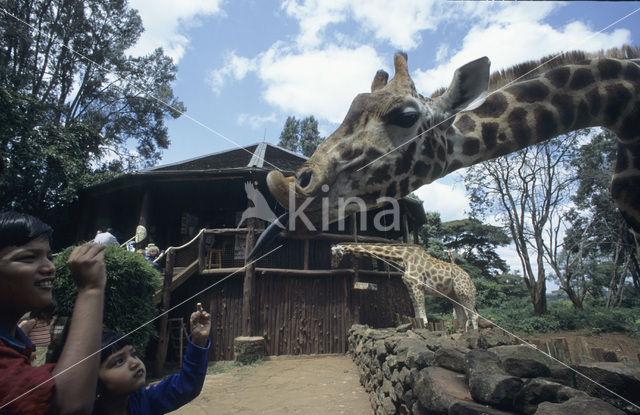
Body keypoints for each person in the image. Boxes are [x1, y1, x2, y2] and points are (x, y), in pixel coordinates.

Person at [0, 211, 107, 415]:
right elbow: (68, 404)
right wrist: (91, 289)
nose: (49, 267)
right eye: (29, 258)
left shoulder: (16, 343)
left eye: (49, 257)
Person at [92, 304, 211, 415]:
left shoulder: (144, 400)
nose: (134, 363)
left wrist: (198, 341)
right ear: (92, 382)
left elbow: (185, 387)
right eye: (119, 361)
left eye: (133, 354)